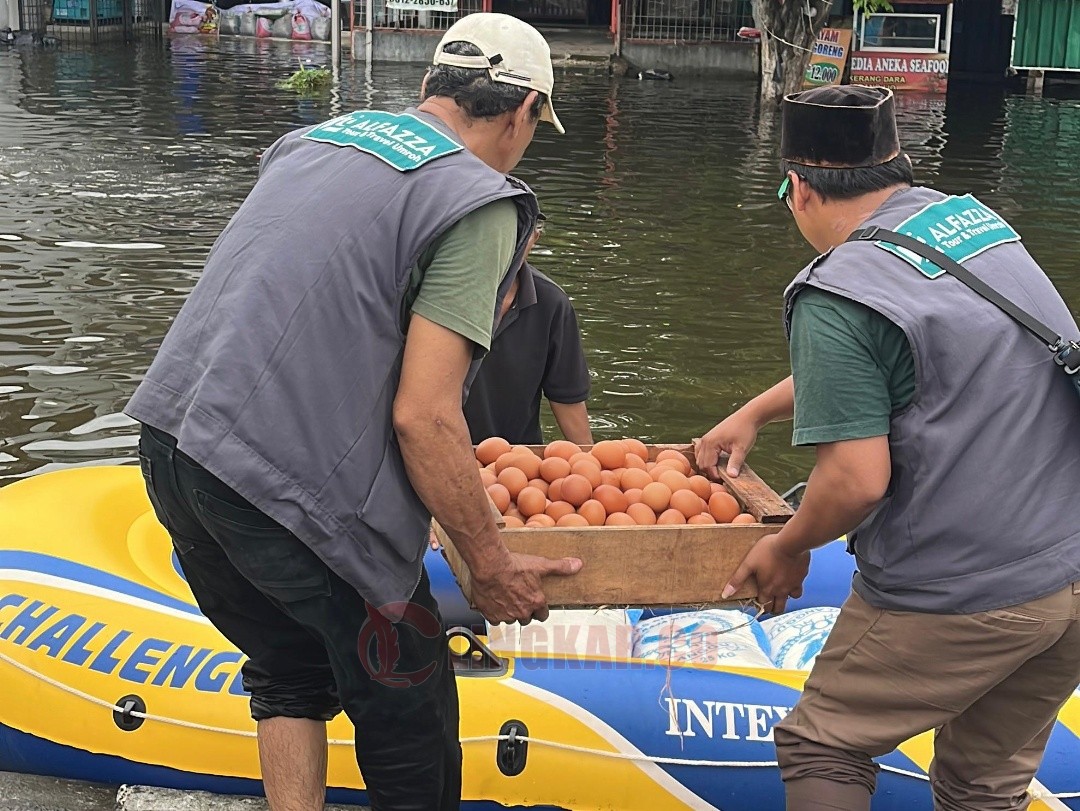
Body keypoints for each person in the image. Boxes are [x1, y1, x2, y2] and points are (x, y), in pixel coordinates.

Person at [126, 13, 583, 811]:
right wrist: (489, 563)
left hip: (172, 445)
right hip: (276, 482)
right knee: (411, 704)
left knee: (288, 670)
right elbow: (425, 416)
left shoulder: (317, 140)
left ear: (429, 86)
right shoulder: (480, 199)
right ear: (524, 111)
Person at [695, 85, 1080, 811]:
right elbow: (918, 355)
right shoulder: (970, 223)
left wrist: (788, 546)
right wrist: (758, 411)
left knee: (823, 745)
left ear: (800, 188)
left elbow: (855, 481)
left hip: (968, 588)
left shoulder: (835, 288)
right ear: (897, 169)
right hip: (1069, 570)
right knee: (982, 787)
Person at [464, 213, 593, 446]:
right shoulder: (438, 296)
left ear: (535, 237)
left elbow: (567, 398)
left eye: (519, 232)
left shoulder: (551, 303)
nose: (506, 243)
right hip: (442, 448)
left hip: (516, 456)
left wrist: (590, 462)